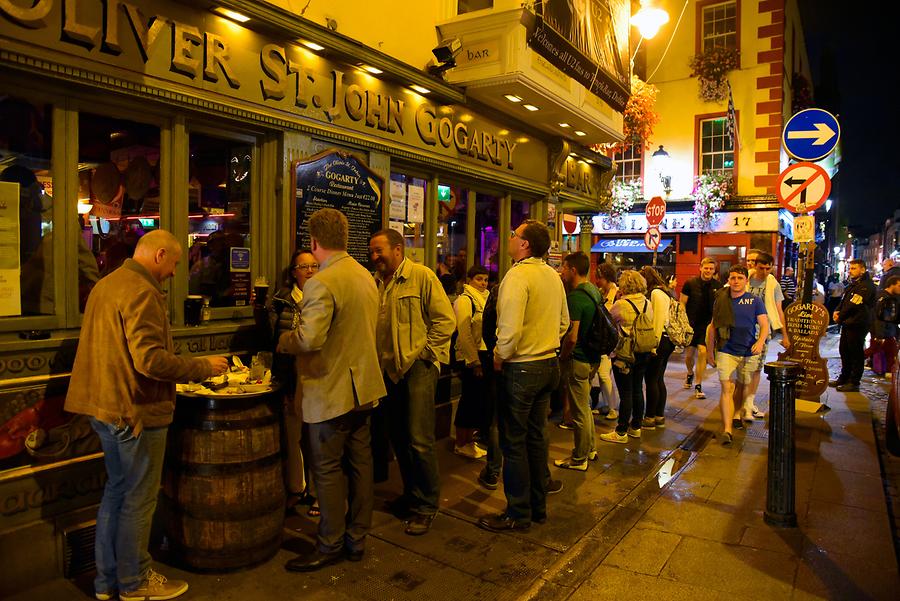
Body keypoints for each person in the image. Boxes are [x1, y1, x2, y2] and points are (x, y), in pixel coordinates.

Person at [64, 229, 229, 601]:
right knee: (139, 498)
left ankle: (107, 583)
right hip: (134, 411)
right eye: (173, 263)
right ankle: (135, 581)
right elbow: (149, 360)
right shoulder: (142, 292)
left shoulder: (107, 285)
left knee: (117, 493)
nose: (174, 272)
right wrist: (201, 366)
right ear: (158, 255)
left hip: (104, 407)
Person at [279, 208, 387, 572]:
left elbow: (309, 338)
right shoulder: (363, 275)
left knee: (326, 470)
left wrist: (284, 341)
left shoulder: (321, 283)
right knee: (360, 467)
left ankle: (329, 544)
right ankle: (356, 540)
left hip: (331, 391)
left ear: (314, 242)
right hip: (364, 390)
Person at [478, 220, 569, 532]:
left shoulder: (517, 276)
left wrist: (501, 355)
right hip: (548, 365)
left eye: (515, 234)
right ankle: (537, 508)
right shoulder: (552, 276)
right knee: (537, 437)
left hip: (523, 367)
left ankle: (518, 512)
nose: (510, 237)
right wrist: (544, 341)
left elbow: (510, 329)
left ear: (525, 244)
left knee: (513, 442)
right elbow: (563, 322)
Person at [370, 228, 456, 536]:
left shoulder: (421, 276)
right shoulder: (377, 283)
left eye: (379, 250)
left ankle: (427, 505)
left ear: (397, 249)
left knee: (420, 438)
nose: (375, 256)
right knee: (399, 437)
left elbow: (446, 319)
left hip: (417, 368)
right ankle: (411, 494)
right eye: (373, 251)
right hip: (389, 370)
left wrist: (426, 354)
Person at [268, 249, 319, 516]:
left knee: (317, 439)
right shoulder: (281, 301)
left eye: (314, 266)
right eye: (304, 267)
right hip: (291, 376)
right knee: (292, 436)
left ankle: (318, 493)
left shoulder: (324, 297)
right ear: (294, 272)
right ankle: (296, 488)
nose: (310, 271)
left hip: (316, 378)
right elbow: (273, 341)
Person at [707, 265, 769, 447]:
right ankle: (727, 429)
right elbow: (713, 327)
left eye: (739, 278)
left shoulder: (755, 301)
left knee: (742, 387)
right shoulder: (721, 299)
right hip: (726, 349)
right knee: (727, 388)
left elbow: (765, 325)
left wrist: (760, 341)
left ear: (746, 281)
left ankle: (736, 414)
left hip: (748, 351)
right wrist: (710, 351)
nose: (736, 281)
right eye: (733, 278)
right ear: (729, 280)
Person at [555, 251, 604, 471]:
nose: (561, 271)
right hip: (593, 357)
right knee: (585, 405)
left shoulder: (575, 297)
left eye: (564, 268)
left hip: (579, 359)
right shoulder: (594, 291)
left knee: (579, 411)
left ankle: (579, 458)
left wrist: (563, 356)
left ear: (573, 269)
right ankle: (590, 448)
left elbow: (572, 336)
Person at [600, 270, 654, 443]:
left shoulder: (621, 305)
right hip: (644, 352)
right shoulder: (647, 303)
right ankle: (636, 427)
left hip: (625, 355)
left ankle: (621, 430)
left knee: (626, 392)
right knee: (638, 389)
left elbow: (606, 320)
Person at [735, 250, 790, 422]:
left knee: (756, 368)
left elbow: (778, 309)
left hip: (762, 332)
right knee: (740, 369)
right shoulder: (745, 279)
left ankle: (749, 403)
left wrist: (785, 334)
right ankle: (739, 404)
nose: (765, 272)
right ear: (755, 266)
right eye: (762, 268)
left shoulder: (773, 284)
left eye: (768, 268)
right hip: (741, 331)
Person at [452, 264, 491, 459]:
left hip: (483, 353)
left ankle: (469, 441)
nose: (483, 283)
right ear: (469, 280)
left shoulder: (486, 299)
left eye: (485, 279)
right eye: (479, 279)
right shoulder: (465, 300)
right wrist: (474, 361)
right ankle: (461, 442)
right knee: (469, 399)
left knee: (477, 399)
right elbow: (464, 333)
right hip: (470, 356)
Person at [830, 259, 878, 391]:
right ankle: (844, 377)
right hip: (848, 323)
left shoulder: (866, 286)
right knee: (844, 351)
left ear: (862, 269)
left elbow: (854, 305)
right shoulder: (853, 284)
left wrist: (840, 316)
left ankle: (854, 382)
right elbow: (845, 300)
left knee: (855, 353)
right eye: (850, 268)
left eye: (854, 268)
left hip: (858, 323)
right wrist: (837, 310)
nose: (851, 271)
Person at [680, 258, 722, 399]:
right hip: (691, 324)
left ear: (714, 270)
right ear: (700, 268)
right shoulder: (690, 283)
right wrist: (683, 323)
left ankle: (698, 385)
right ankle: (690, 373)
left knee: (703, 352)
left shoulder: (718, 286)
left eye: (711, 268)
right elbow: (682, 304)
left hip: (707, 325)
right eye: (706, 268)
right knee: (689, 355)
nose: (708, 271)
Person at [641, 266, 674, 429]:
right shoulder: (664, 292)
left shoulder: (656, 293)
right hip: (666, 341)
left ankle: (650, 417)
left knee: (652, 379)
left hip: (660, 340)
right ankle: (659, 415)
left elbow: (658, 320)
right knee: (658, 378)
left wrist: (653, 345)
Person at [594, 262, 620, 420]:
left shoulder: (616, 293)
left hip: (610, 341)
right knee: (602, 374)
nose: (597, 280)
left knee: (604, 374)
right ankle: (607, 405)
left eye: (599, 278)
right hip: (602, 338)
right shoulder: (601, 292)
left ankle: (612, 408)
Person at [870, 275, 900, 378]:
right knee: (890, 353)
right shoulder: (884, 298)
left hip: (887, 331)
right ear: (892, 285)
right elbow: (880, 318)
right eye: (899, 286)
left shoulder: (888, 297)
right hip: (885, 332)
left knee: (882, 351)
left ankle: (889, 373)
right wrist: (879, 335)